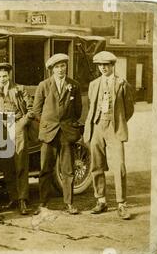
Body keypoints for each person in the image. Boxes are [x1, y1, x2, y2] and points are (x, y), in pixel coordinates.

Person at [84, 51, 134, 220]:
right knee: (96, 165)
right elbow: (92, 105)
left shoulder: (122, 84)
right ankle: (101, 201)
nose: (103, 68)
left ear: (113, 65)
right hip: (97, 126)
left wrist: (117, 121)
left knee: (119, 165)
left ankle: (121, 204)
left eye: (106, 65)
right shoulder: (94, 84)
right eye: (100, 65)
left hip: (114, 128)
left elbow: (129, 109)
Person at [0, 62, 33, 215]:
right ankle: (13, 198)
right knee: (7, 165)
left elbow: (31, 110)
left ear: (9, 76)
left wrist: (20, 125)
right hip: (0, 130)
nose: (2, 79)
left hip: (17, 126)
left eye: (4, 76)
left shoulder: (19, 89)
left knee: (20, 163)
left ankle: (23, 200)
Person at [32, 53, 83, 215]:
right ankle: (43, 203)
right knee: (45, 169)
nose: (61, 70)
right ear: (51, 70)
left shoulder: (73, 85)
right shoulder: (44, 85)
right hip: (49, 133)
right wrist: (48, 124)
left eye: (63, 66)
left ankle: (69, 203)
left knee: (68, 169)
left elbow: (78, 110)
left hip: (66, 133)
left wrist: (69, 124)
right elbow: (36, 110)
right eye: (57, 67)